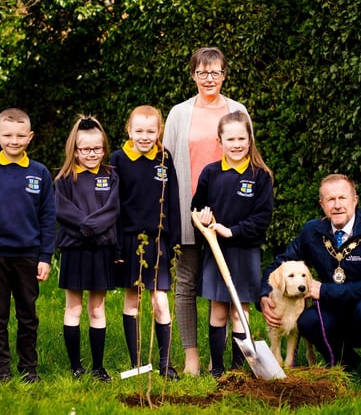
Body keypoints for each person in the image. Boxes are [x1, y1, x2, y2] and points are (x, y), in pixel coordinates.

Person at [260, 174, 361, 386]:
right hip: (334, 312)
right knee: (307, 320)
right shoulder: (313, 231)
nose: (337, 205)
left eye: (342, 198)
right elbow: (279, 264)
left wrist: (324, 292)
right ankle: (346, 362)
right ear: (322, 204)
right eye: (330, 200)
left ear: (355, 200)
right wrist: (263, 295)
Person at [163, 47, 251, 375]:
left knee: (224, 285)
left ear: (225, 74)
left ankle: (221, 356)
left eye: (215, 72)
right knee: (185, 283)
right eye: (202, 72)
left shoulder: (237, 109)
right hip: (189, 211)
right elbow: (167, 165)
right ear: (193, 75)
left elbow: (248, 159)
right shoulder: (179, 113)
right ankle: (191, 357)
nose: (209, 79)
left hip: (227, 214)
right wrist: (172, 212)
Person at [0, 108, 55, 384]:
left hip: (28, 256)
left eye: (21, 135)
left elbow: (47, 218)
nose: (14, 141)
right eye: (8, 135)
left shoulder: (40, 173)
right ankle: (1, 369)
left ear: (30, 137)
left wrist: (45, 256)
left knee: (27, 315)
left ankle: (28, 368)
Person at [192, 110, 273, 378]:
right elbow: (197, 208)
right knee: (218, 310)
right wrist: (203, 218)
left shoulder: (260, 176)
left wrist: (233, 231)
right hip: (216, 251)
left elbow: (262, 219)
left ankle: (239, 370)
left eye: (242, 138)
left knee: (241, 311)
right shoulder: (211, 173)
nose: (236, 144)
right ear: (220, 141)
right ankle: (217, 369)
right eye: (230, 139)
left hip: (244, 251)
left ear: (250, 140)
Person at [110, 106, 181, 380]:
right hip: (129, 240)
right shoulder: (118, 159)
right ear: (129, 130)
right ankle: (138, 362)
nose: (144, 136)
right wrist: (116, 244)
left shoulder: (164, 158)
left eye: (150, 131)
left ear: (158, 131)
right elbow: (113, 206)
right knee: (132, 299)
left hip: (158, 240)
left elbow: (172, 201)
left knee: (160, 300)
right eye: (138, 130)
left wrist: (172, 241)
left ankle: (165, 362)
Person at [55, 116, 119, 382]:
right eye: (85, 149)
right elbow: (63, 210)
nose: (92, 154)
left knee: (97, 309)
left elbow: (112, 209)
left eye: (97, 148)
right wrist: (86, 228)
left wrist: (89, 229)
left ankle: (98, 367)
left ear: (104, 148)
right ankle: (75, 367)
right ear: (75, 150)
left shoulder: (111, 175)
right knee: (74, 308)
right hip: (75, 249)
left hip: (101, 250)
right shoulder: (64, 179)